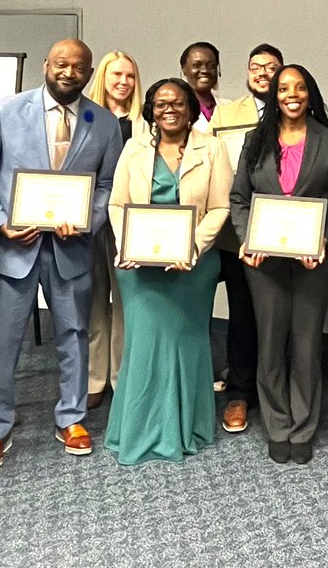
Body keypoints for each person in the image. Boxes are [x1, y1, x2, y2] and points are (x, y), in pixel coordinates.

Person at [0, 39, 123, 476]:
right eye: (60, 63)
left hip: (70, 248)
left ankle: (71, 419)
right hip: (9, 248)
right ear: (45, 65)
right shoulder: (5, 111)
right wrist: (0, 223)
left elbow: (107, 184)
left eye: (78, 66)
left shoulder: (105, 123)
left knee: (73, 334)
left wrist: (88, 219)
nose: (68, 71)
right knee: (3, 340)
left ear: (89, 73)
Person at [229, 64, 328, 465]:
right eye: (284, 88)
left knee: (305, 343)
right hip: (263, 261)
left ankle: (302, 425)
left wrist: (325, 239)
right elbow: (239, 199)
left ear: (310, 92)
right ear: (274, 95)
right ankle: (277, 423)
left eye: (300, 87)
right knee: (270, 342)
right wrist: (248, 236)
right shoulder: (255, 140)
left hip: (312, 260)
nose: (292, 94)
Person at [104, 78, 233, 464]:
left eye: (177, 103)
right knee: (143, 346)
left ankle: (186, 426)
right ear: (150, 110)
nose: (169, 110)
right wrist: (130, 245)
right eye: (160, 104)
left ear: (191, 108)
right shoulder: (133, 148)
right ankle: (140, 429)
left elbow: (220, 209)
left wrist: (192, 246)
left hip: (192, 266)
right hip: (140, 267)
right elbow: (117, 205)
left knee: (185, 343)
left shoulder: (212, 148)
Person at [205, 43, 283, 434]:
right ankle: (239, 393)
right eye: (256, 66)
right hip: (239, 232)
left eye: (271, 67)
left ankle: (277, 393)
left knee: (280, 317)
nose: (263, 72)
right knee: (242, 316)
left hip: (286, 233)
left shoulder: (294, 110)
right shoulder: (226, 113)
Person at [84, 50, 143, 410]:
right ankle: (94, 376)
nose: (123, 82)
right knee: (92, 300)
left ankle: (122, 374)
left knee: (125, 301)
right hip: (89, 220)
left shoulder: (142, 123)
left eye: (130, 76)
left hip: (129, 222)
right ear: (103, 77)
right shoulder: (84, 118)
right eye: (116, 74)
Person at [180, 42, 226, 128]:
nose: (205, 70)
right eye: (196, 65)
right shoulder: (176, 109)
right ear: (184, 70)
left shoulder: (229, 106)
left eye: (211, 66)